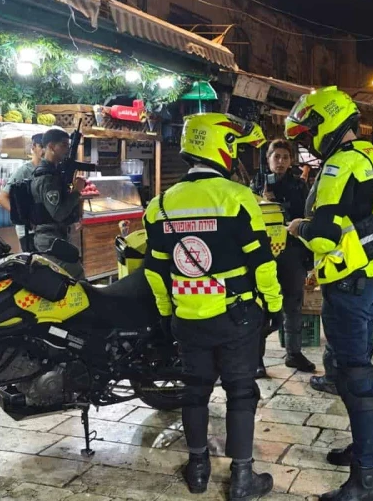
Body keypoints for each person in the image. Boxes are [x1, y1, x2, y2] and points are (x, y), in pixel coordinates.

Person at [285, 86, 373, 501]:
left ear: (328, 124)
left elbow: (322, 234)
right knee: (348, 368)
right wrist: (367, 237)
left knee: (355, 373)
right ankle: (367, 451)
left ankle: (366, 482)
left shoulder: (339, 166)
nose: (306, 142)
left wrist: (297, 228)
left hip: (347, 283)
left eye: (308, 133)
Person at [142, 113, 281, 499]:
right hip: (236, 316)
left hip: (187, 317)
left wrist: (168, 312)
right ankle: (241, 479)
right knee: (240, 392)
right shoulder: (237, 197)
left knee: (195, 391)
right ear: (221, 148)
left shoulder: (160, 204)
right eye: (234, 148)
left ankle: (199, 468)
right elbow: (262, 262)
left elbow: (155, 272)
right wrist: (274, 305)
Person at [250, 139, 316, 374]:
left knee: (293, 304)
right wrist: (261, 199)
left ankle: (294, 353)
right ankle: (256, 359)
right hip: (264, 254)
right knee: (261, 306)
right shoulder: (255, 186)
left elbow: (307, 217)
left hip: (291, 251)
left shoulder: (299, 186)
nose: (280, 161)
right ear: (268, 160)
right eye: (276, 157)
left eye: (285, 157)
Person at [30, 129, 85, 278]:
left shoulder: (53, 172)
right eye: (64, 145)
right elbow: (58, 213)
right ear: (51, 146)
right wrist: (76, 191)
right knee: (76, 276)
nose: (67, 149)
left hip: (55, 236)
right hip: (49, 239)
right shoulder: (47, 177)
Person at [0, 133, 43, 251]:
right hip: (28, 231)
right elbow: (3, 198)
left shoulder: (50, 170)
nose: (44, 151)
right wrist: (23, 217)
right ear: (33, 147)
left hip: (43, 229)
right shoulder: (24, 171)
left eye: (47, 147)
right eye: (41, 146)